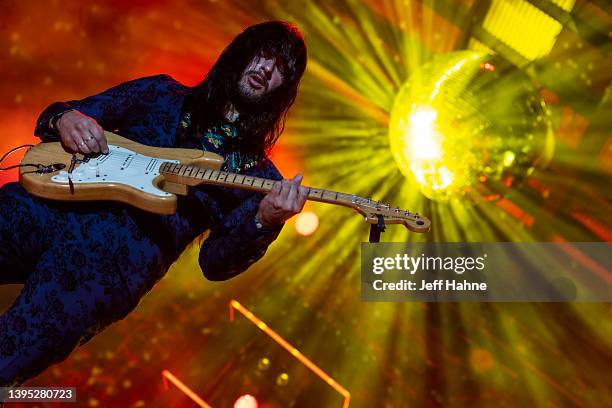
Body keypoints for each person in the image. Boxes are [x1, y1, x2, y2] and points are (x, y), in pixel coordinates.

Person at [0, 21, 308, 387]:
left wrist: (265, 220)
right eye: (263, 54)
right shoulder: (160, 92)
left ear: (283, 89)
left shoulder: (261, 178)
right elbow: (69, 113)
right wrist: (63, 118)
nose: (267, 69)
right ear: (241, 52)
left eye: (281, 69)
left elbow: (215, 262)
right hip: (45, 206)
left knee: (8, 357)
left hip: (101, 273)